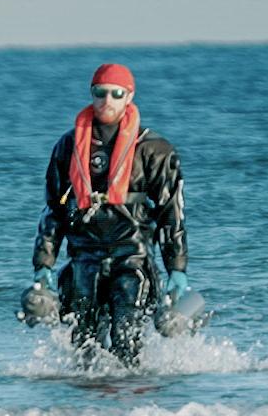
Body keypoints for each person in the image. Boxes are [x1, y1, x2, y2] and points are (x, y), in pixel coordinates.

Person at [28, 62, 188, 364]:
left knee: (126, 341)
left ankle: (131, 404)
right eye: (100, 93)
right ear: (92, 94)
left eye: (116, 94)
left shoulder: (154, 149)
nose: (107, 101)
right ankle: (88, 406)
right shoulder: (68, 146)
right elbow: (53, 211)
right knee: (82, 345)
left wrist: (177, 268)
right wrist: (43, 264)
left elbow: (172, 213)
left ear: (129, 96)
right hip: (83, 259)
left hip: (132, 258)